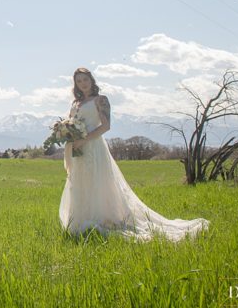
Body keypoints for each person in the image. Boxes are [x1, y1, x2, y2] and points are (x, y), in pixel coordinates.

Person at [58, 67, 210, 241]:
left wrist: (85, 139)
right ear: (75, 84)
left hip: (93, 147)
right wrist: (67, 134)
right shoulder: (75, 103)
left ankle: (105, 218)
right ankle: (81, 218)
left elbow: (106, 126)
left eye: (85, 79)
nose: (82, 84)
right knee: (80, 181)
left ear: (91, 81)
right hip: (78, 149)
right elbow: (72, 123)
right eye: (79, 81)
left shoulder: (101, 100)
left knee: (97, 181)